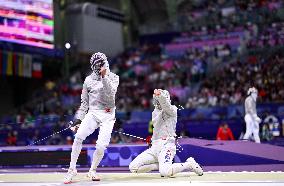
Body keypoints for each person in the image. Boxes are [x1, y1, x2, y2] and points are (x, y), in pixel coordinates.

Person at [64, 52, 119, 183]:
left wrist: (104, 77)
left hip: (108, 115)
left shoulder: (114, 77)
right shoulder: (88, 80)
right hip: (93, 113)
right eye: (98, 65)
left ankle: (92, 170)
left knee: (101, 146)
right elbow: (84, 104)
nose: (100, 66)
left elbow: (110, 96)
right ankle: (72, 170)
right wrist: (78, 119)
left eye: (102, 64)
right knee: (78, 138)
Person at [129, 89, 203, 177]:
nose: (157, 101)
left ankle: (189, 164)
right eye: (156, 99)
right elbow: (158, 129)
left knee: (165, 172)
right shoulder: (154, 113)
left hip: (167, 145)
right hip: (154, 148)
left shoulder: (172, 110)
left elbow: (165, 105)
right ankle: (159, 165)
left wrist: (160, 95)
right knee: (133, 167)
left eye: (158, 99)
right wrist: (153, 139)